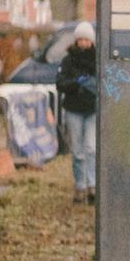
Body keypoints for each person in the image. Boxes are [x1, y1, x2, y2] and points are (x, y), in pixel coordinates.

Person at [55, 22, 99, 203]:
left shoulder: (98, 60)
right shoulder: (68, 60)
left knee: (91, 148)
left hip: (92, 110)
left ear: (92, 41)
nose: (83, 43)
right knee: (78, 151)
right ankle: (80, 186)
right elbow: (60, 83)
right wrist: (76, 83)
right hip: (74, 110)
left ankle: (92, 185)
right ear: (76, 41)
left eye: (86, 39)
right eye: (80, 39)